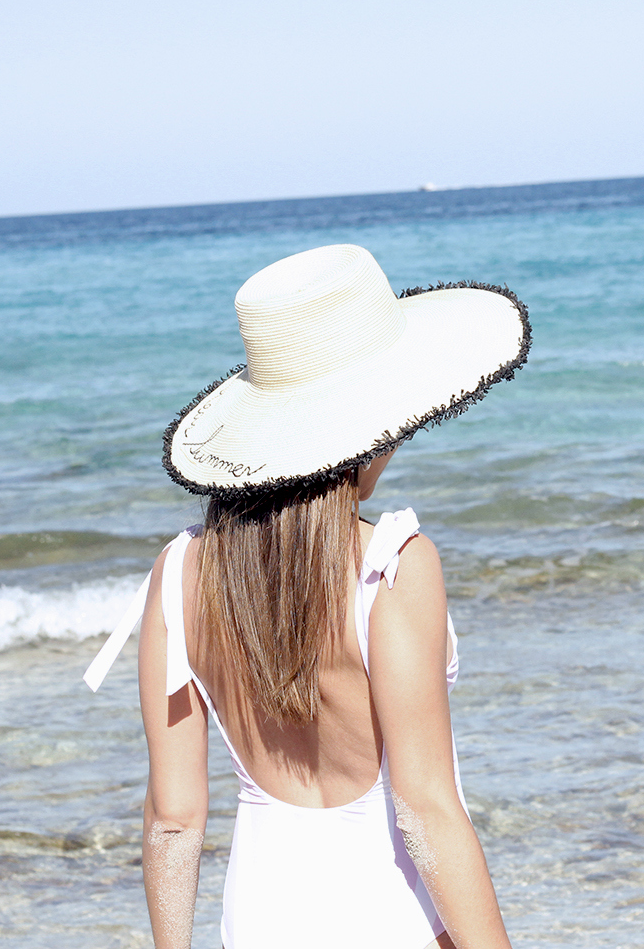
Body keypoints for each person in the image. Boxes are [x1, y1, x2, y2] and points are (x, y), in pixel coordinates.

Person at [84, 244, 531, 949]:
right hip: (393, 922)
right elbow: (424, 810)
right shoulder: (393, 565)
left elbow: (173, 818)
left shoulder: (176, 575)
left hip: (258, 920)